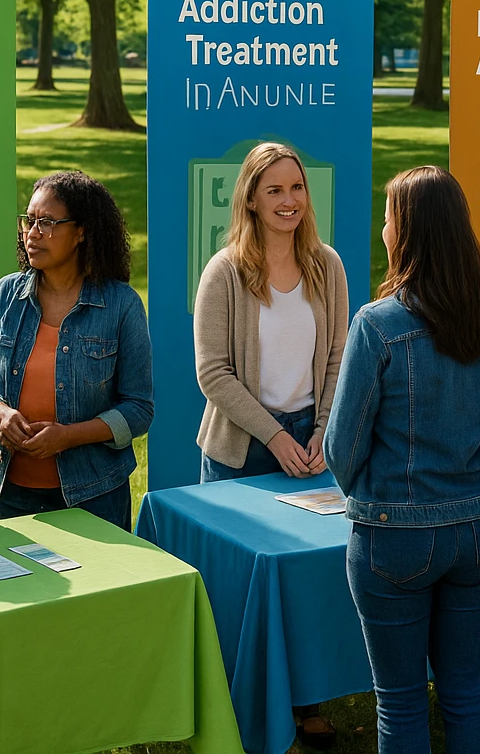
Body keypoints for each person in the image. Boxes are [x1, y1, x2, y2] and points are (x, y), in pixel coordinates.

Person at [325, 167, 480, 754]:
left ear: (405, 232)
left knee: (401, 702)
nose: (383, 229)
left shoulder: (377, 326)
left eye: (388, 218)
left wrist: (373, 493)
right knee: (463, 692)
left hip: (395, 536)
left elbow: (341, 448)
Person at [193, 142, 349, 750]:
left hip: (311, 445)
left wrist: (322, 431)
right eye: (275, 190)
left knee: (307, 583)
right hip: (243, 450)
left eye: (297, 188)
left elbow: (339, 357)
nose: (289, 201)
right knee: (239, 587)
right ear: (251, 200)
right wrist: (277, 437)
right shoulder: (225, 271)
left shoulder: (327, 265)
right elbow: (213, 373)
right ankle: (235, 706)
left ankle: (307, 703)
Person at [0, 171, 153, 532]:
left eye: (48, 223)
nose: (33, 233)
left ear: (81, 231)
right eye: (30, 221)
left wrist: (68, 436)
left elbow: (138, 408)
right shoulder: (4, 297)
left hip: (95, 495)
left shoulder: (121, 305)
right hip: (11, 493)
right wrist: (1, 413)